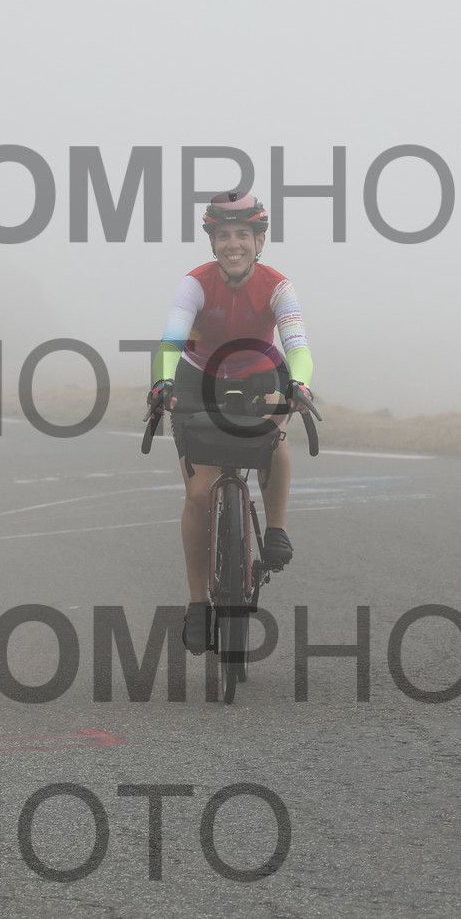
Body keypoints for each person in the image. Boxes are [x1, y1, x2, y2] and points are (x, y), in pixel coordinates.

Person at [149, 192, 315, 655]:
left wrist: (299, 384)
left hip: (259, 374)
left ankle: (276, 529)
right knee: (199, 495)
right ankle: (198, 604)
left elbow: (297, 345)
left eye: (243, 234)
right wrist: (162, 382)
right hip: (198, 380)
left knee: (274, 435)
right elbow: (171, 340)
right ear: (213, 242)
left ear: (259, 240)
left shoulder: (278, 286)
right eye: (223, 235)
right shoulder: (195, 284)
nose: (233, 244)